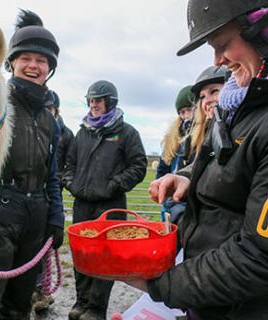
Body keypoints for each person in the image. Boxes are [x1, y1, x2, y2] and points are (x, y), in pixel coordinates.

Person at [130, 1, 268, 319]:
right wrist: (189, 176)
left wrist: (161, 286)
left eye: (222, 45)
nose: (218, 61)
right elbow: (227, 159)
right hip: (213, 300)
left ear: (261, 32)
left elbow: (259, 255)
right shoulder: (238, 103)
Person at [0, 9, 64, 320]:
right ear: (11, 63)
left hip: (37, 211)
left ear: (49, 68)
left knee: (22, 297)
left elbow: (51, 173)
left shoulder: (50, 120)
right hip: (1, 208)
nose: (33, 65)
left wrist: (55, 217)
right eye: (26, 58)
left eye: (41, 60)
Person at [63, 80, 147, 320]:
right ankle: (81, 302)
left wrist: (114, 185)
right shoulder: (82, 132)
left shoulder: (127, 133)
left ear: (110, 102)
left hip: (110, 206)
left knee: (105, 257)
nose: (93, 105)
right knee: (82, 253)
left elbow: (139, 165)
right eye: (90, 100)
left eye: (98, 100)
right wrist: (71, 183)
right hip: (82, 204)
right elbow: (69, 164)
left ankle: (96, 309)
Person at [31, 89, 75, 315]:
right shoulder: (32, 127)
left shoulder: (65, 134)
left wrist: (62, 181)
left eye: (51, 108)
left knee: (45, 245)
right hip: (32, 193)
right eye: (45, 108)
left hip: (51, 191)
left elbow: (70, 161)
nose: (48, 112)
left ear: (56, 110)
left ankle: (41, 289)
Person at [156, 86, 195, 223]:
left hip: (189, 206)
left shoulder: (206, 136)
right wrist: (162, 191)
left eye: (189, 110)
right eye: (182, 112)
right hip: (169, 204)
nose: (186, 116)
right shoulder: (172, 138)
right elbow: (163, 168)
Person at [189, 66, 229, 157]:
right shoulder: (205, 135)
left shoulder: (246, 127)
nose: (206, 101)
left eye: (214, 91)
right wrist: (182, 172)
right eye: (202, 97)